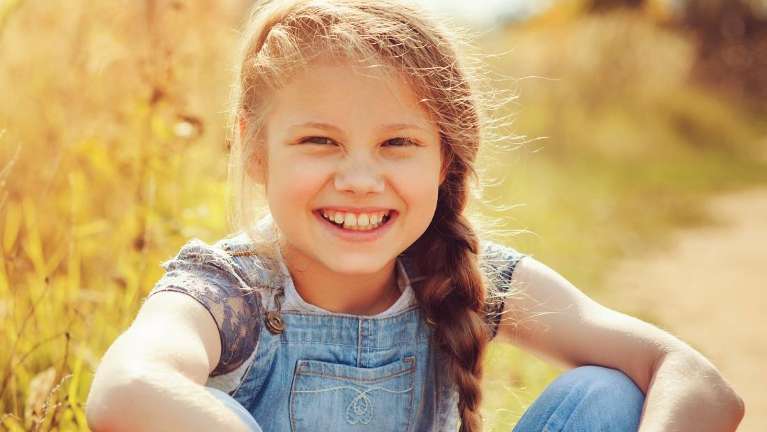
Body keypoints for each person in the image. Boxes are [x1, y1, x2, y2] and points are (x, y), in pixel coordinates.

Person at [85, 0, 745, 431]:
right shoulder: (227, 290)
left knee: (609, 395)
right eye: (319, 141)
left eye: (397, 143)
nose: (359, 180)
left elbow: (698, 383)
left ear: (442, 161)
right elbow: (124, 387)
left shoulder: (466, 273)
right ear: (255, 152)